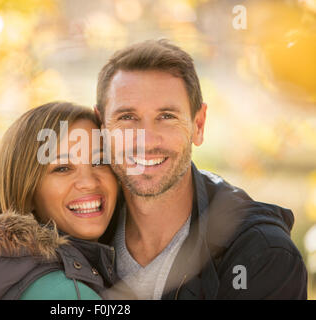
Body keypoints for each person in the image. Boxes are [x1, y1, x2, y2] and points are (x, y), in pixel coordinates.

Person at [94, 39, 307, 299]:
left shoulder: (261, 254)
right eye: (127, 117)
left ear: (199, 124)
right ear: (102, 128)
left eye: (167, 117)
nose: (146, 140)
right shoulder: (77, 234)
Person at [0, 101, 131, 300]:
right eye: (62, 168)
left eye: (100, 161)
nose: (89, 182)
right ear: (26, 191)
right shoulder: (66, 294)